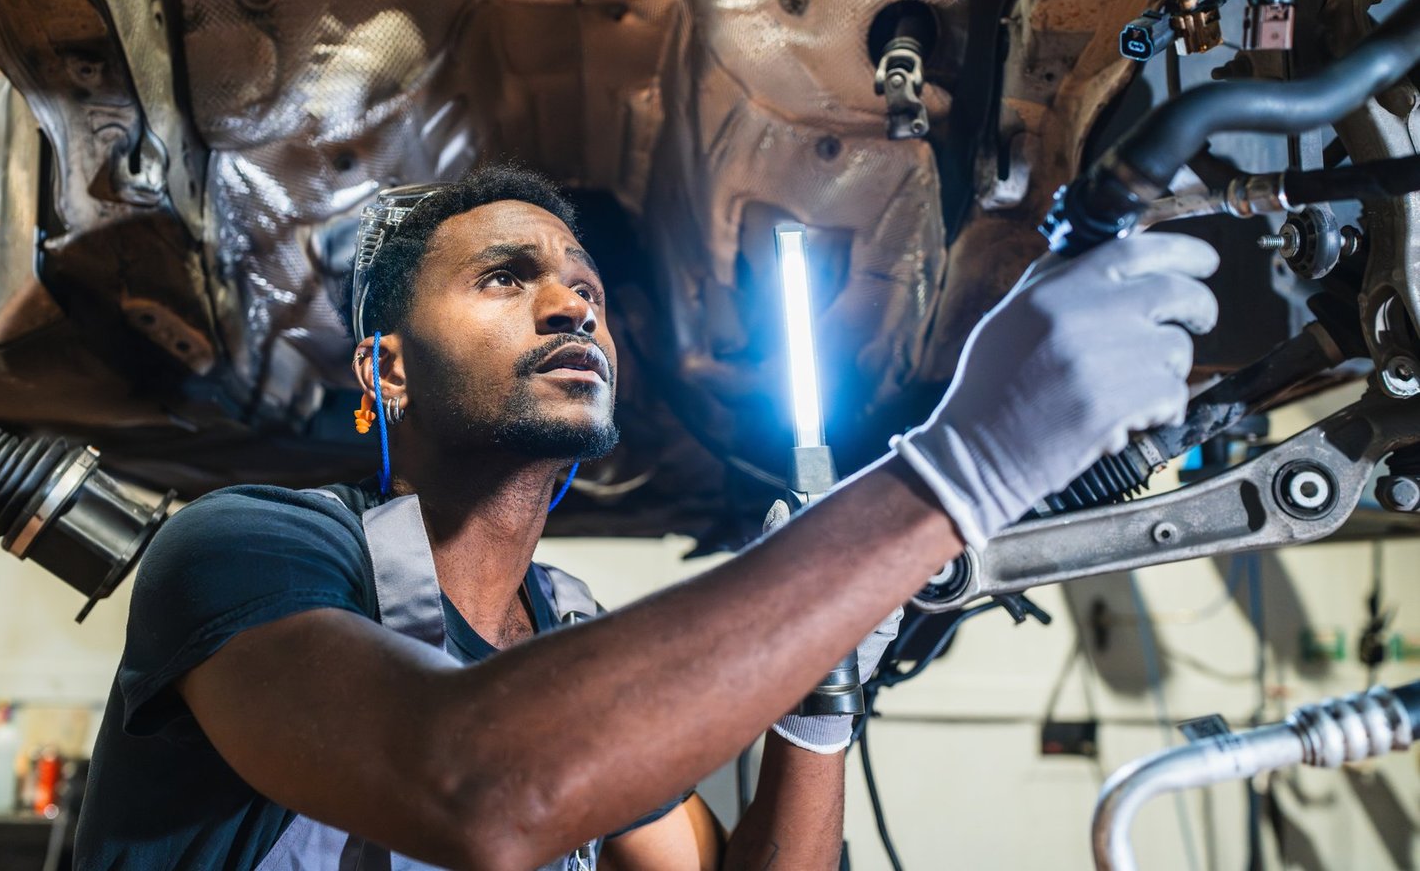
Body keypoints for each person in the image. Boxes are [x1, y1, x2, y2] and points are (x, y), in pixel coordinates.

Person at [75, 164, 1218, 870]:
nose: (571, 298)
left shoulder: (568, 641)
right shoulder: (246, 549)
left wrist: (818, 698)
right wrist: (950, 478)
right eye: (505, 276)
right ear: (387, 372)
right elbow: (476, 789)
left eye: (585, 287)